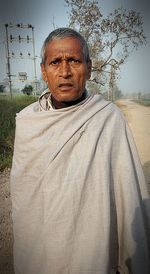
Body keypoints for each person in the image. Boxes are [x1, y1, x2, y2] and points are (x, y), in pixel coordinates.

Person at [10, 28, 150, 274]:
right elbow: (24, 203)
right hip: (39, 256)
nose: (64, 72)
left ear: (89, 67)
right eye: (55, 62)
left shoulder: (108, 118)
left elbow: (127, 194)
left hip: (90, 256)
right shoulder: (28, 122)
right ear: (44, 71)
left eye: (73, 60)